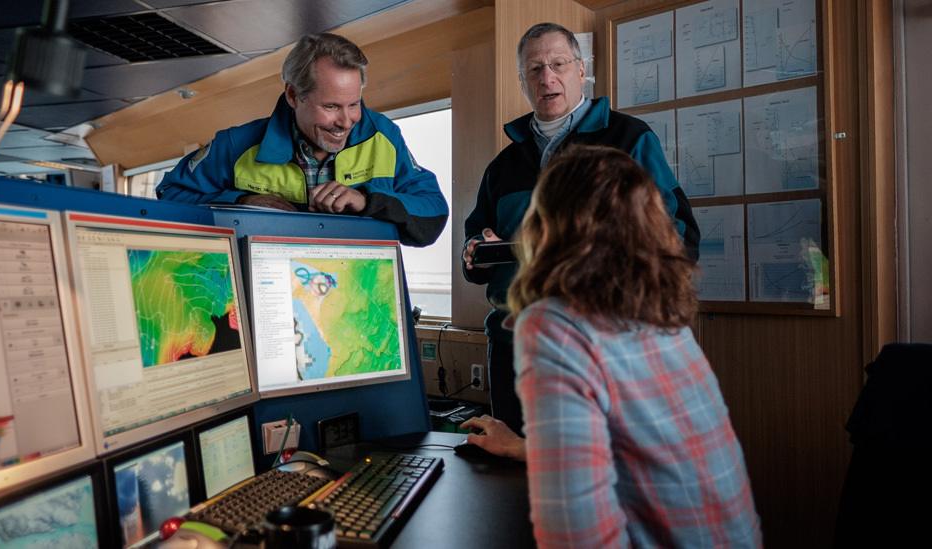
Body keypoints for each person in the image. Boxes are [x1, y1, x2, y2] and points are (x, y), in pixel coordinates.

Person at [469, 144, 760, 547]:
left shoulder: (555, 325)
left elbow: (576, 537)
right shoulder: (660, 315)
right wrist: (524, 447)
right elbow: (637, 449)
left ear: (546, 228)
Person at [463, 22, 700, 434]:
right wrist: (475, 253)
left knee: (589, 478)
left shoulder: (628, 138)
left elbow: (677, 239)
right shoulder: (502, 166)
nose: (547, 78)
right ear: (522, 81)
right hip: (511, 350)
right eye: (534, 69)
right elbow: (474, 253)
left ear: (581, 69)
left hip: (597, 348)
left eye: (558, 64)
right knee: (508, 484)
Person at [156, 33, 448, 247]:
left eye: (354, 104)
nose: (346, 122)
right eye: (331, 107)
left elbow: (433, 211)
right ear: (294, 96)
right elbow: (171, 194)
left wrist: (368, 200)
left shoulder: (384, 136)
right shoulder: (236, 145)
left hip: (359, 301)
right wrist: (242, 202)